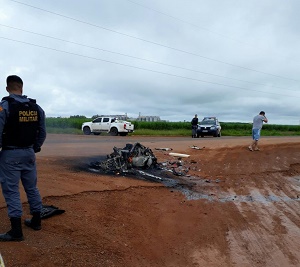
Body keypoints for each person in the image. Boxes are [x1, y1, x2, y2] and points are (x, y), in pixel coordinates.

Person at [0, 75, 46, 241]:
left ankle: (16, 231)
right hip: (29, 153)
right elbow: (42, 132)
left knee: (11, 191)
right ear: (22, 88)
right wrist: (35, 147)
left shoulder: (4, 106)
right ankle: (36, 221)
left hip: (10, 154)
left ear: (7, 89)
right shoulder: (36, 107)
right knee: (32, 188)